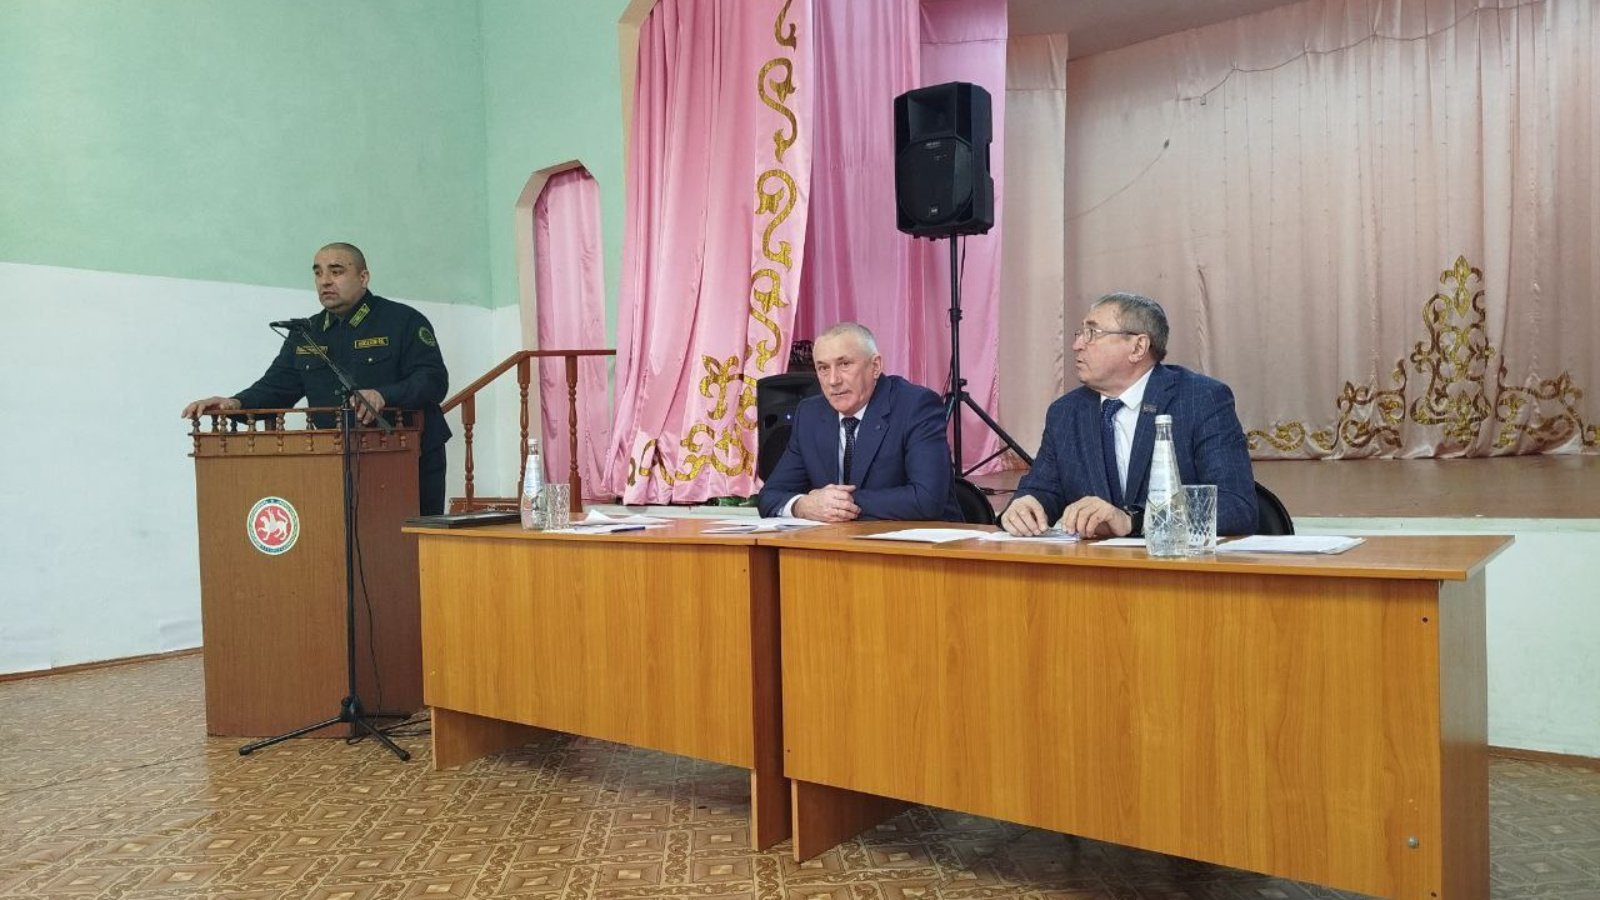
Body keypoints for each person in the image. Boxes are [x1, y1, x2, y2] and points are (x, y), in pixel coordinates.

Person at [181, 243, 452, 515]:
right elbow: (276, 386)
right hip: (334, 458)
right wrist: (234, 403)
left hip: (408, 453)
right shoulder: (307, 333)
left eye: (336, 271)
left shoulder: (402, 321)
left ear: (363, 277)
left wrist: (384, 395)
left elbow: (433, 380)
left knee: (407, 537)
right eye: (318, 273)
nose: (325, 281)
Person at [1001, 292, 1256, 538]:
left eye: (1092, 334)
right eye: (1080, 333)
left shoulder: (1200, 400)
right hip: (1093, 565)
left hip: (1174, 562)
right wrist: (1025, 507)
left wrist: (1133, 520)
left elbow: (1235, 506)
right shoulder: (1066, 412)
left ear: (1138, 347)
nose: (1076, 345)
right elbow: (1043, 490)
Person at [758, 322, 962, 522]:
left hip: (919, 540)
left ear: (875, 366)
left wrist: (837, 504)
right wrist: (802, 506)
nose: (833, 380)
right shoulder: (809, 414)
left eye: (844, 364)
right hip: (840, 541)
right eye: (823, 368)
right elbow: (770, 496)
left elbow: (927, 499)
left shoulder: (915, 406)